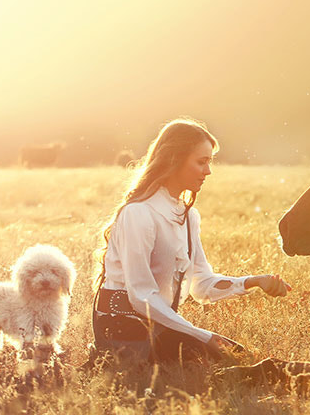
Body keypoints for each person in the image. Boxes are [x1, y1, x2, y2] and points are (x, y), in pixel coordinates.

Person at [90, 118, 289, 365]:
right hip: (124, 330)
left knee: (240, 358)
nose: (208, 171)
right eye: (201, 162)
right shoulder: (138, 213)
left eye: (209, 162)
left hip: (159, 325)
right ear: (174, 159)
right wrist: (201, 336)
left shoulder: (188, 216)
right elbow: (141, 297)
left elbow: (202, 285)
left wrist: (254, 282)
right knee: (224, 359)